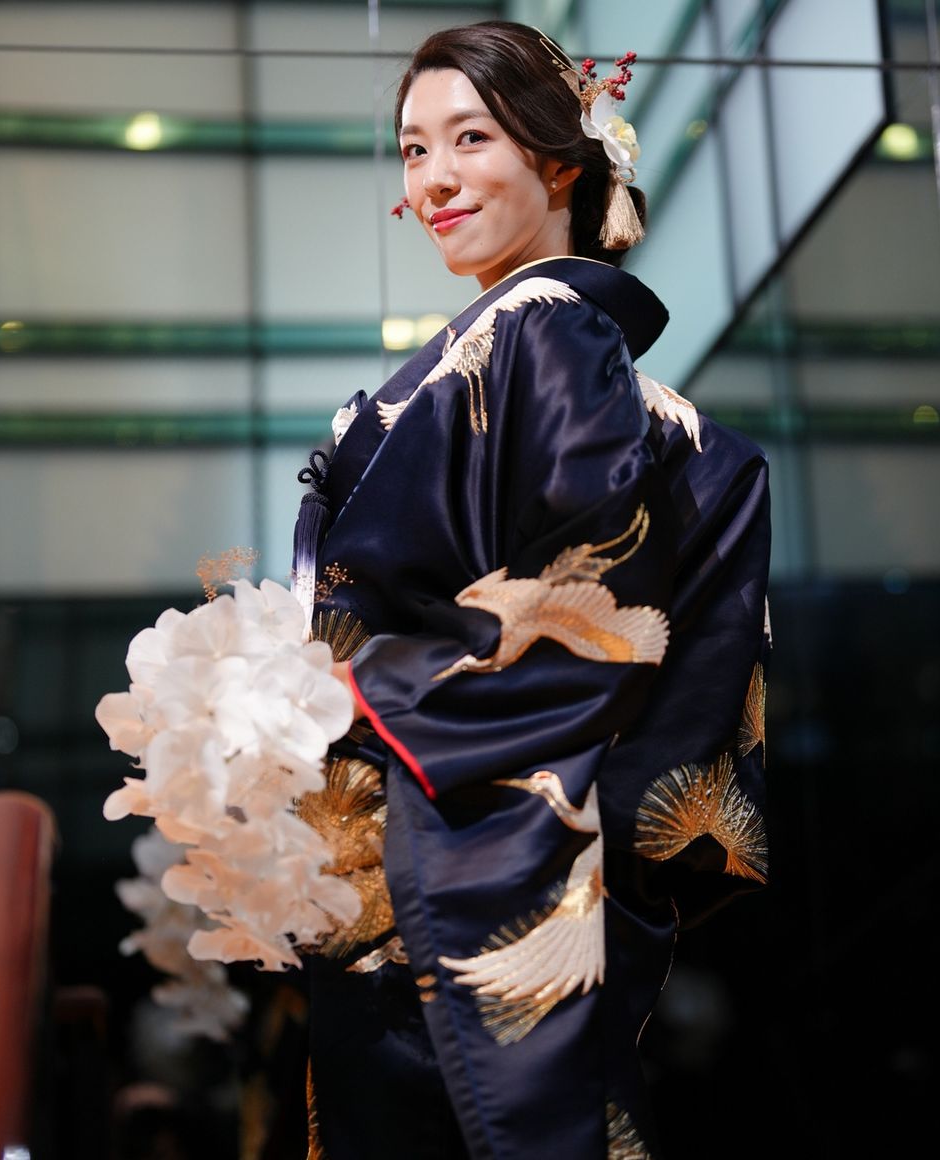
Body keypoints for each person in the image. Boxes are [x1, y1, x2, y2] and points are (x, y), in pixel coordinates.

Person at [294, 20, 772, 1160]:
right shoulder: (514, 339)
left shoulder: (543, 324)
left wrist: (357, 697)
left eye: (471, 137)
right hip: (432, 834)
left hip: (449, 839)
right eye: (414, 150)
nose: (434, 178)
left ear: (560, 161)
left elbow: (594, 581)